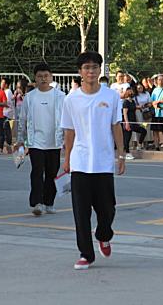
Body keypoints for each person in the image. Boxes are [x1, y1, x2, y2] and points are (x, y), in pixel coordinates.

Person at [61, 51, 125, 270]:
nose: (90, 71)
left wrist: (121, 154)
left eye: (94, 67)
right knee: (81, 212)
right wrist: (67, 158)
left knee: (108, 208)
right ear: (80, 72)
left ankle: (103, 234)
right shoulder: (71, 99)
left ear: (100, 71)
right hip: (80, 161)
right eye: (86, 67)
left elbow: (116, 125)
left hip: (104, 161)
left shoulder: (111, 96)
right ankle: (85, 254)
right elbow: (69, 131)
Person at [16, 62, 65, 216]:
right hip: (35, 141)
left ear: (51, 77)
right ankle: (37, 203)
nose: (43, 79)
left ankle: (49, 202)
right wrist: (20, 139)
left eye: (46, 76)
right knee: (37, 171)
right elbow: (22, 119)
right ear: (35, 78)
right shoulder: (30, 97)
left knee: (52, 173)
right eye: (39, 76)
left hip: (55, 142)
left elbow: (67, 119)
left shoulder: (61, 96)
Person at [122, 86, 147, 159]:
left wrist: (141, 107)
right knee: (127, 138)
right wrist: (126, 123)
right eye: (129, 91)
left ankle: (139, 145)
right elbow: (125, 113)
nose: (131, 92)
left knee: (143, 131)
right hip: (128, 122)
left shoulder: (132, 101)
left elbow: (135, 109)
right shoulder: (125, 102)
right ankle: (127, 153)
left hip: (134, 122)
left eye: (132, 91)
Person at [150, 74, 163, 151]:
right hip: (155, 113)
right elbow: (151, 101)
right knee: (155, 130)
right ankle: (156, 145)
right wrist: (154, 105)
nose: (160, 81)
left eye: (162, 79)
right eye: (159, 79)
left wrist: (161, 105)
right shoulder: (155, 90)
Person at [133, 83, 152, 150]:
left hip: (146, 113)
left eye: (141, 87)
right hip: (138, 113)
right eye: (138, 88)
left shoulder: (146, 93)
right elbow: (133, 105)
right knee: (139, 127)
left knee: (145, 127)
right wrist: (139, 107)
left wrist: (146, 105)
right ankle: (139, 143)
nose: (140, 89)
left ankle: (145, 143)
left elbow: (150, 103)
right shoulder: (134, 95)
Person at [1, 77, 14, 148]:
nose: (1, 84)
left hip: (7, 112)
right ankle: (7, 142)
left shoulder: (8, 91)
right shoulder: (4, 91)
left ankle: (8, 142)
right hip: (4, 112)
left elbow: (7, 103)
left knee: (6, 127)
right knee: (5, 127)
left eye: (2, 83)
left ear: (6, 84)